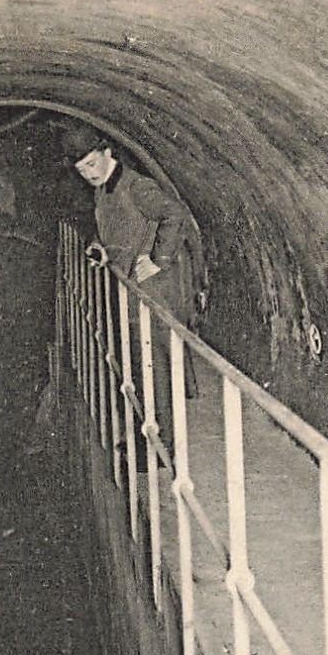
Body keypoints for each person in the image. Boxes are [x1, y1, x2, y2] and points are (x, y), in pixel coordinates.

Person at [60, 124, 202, 465]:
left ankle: (160, 448)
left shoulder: (136, 185)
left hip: (152, 288)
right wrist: (102, 249)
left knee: (153, 367)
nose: (89, 174)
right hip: (133, 286)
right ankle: (155, 432)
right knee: (147, 363)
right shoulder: (104, 189)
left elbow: (174, 214)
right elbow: (120, 229)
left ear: (107, 153)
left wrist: (157, 259)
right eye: (82, 170)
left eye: (92, 164)